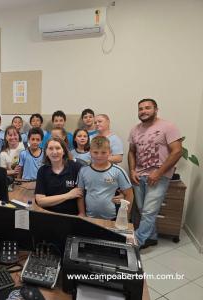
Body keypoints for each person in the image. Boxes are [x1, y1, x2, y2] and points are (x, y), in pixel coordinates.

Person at [128, 98, 182, 249]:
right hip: (139, 176)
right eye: (140, 109)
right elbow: (131, 151)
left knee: (148, 212)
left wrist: (158, 173)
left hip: (158, 177)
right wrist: (132, 170)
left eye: (147, 108)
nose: (143, 111)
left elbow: (177, 151)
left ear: (156, 109)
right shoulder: (134, 129)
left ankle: (135, 243)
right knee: (141, 209)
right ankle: (151, 237)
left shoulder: (168, 126)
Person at [77, 136, 133, 220]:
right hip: (90, 217)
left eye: (103, 152)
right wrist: (82, 213)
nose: (99, 156)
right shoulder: (83, 171)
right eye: (95, 152)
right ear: (90, 152)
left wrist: (124, 217)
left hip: (112, 218)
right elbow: (79, 194)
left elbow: (129, 195)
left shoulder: (118, 172)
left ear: (109, 152)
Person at [35, 137, 83, 215]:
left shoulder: (76, 167)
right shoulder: (42, 171)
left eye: (58, 148)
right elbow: (40, 201)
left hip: (72, 216)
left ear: (63, 151)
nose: (54, 152)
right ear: (46, 152)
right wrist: (68, 195)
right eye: (50, 148)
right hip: (48, 214)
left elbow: (80, 194)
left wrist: (82, 213)